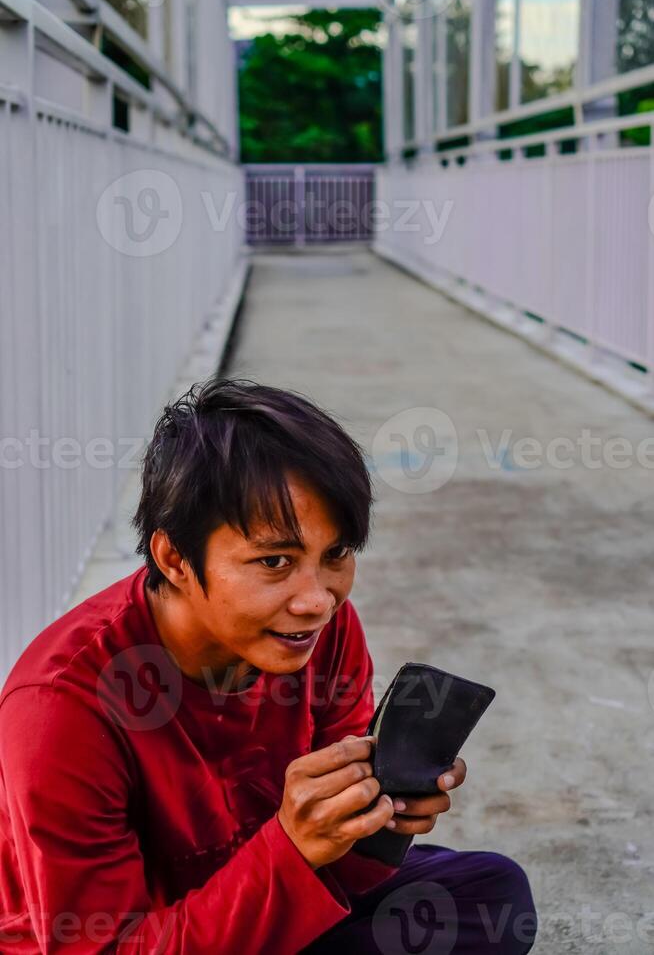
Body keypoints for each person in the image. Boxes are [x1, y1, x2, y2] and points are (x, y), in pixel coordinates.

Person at [0, 378, 537, 954]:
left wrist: (375, 819)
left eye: (335, 555)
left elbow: (342, 870)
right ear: (175, 557)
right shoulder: (62, 706)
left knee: (492, 893)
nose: (317, 599)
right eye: (275, 561)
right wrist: (293, 846)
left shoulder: (316, 631)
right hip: (150, 933)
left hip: (264, 893)